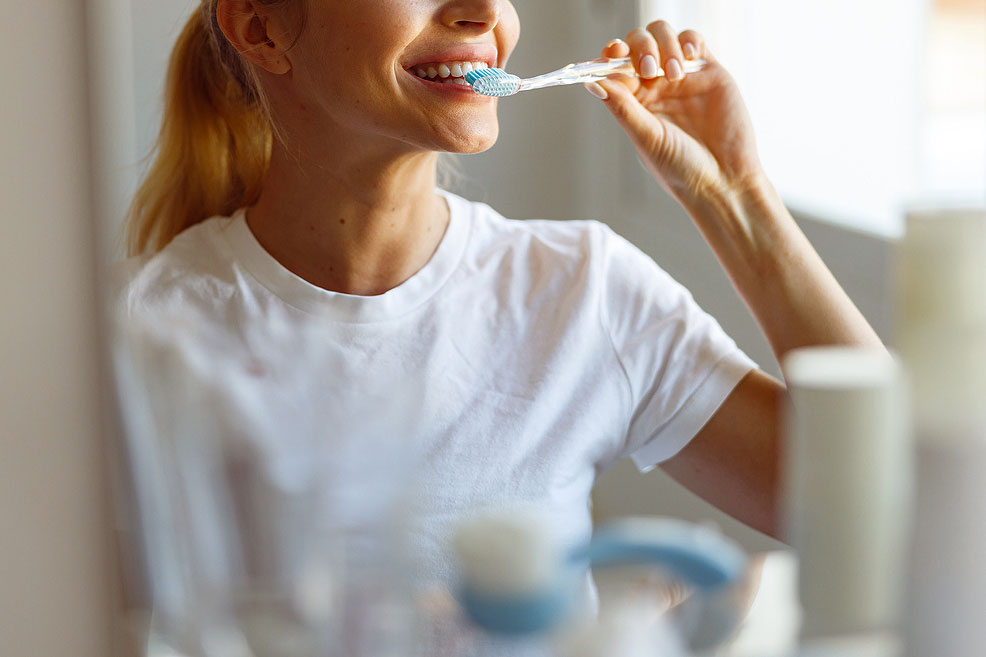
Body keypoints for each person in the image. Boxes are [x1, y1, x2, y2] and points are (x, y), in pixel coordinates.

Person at [116, 0, 882, 650]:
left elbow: (879, 510)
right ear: (259, 28)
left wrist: (735, 197)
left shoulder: (582, 290)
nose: (483, 10)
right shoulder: (159, 332)